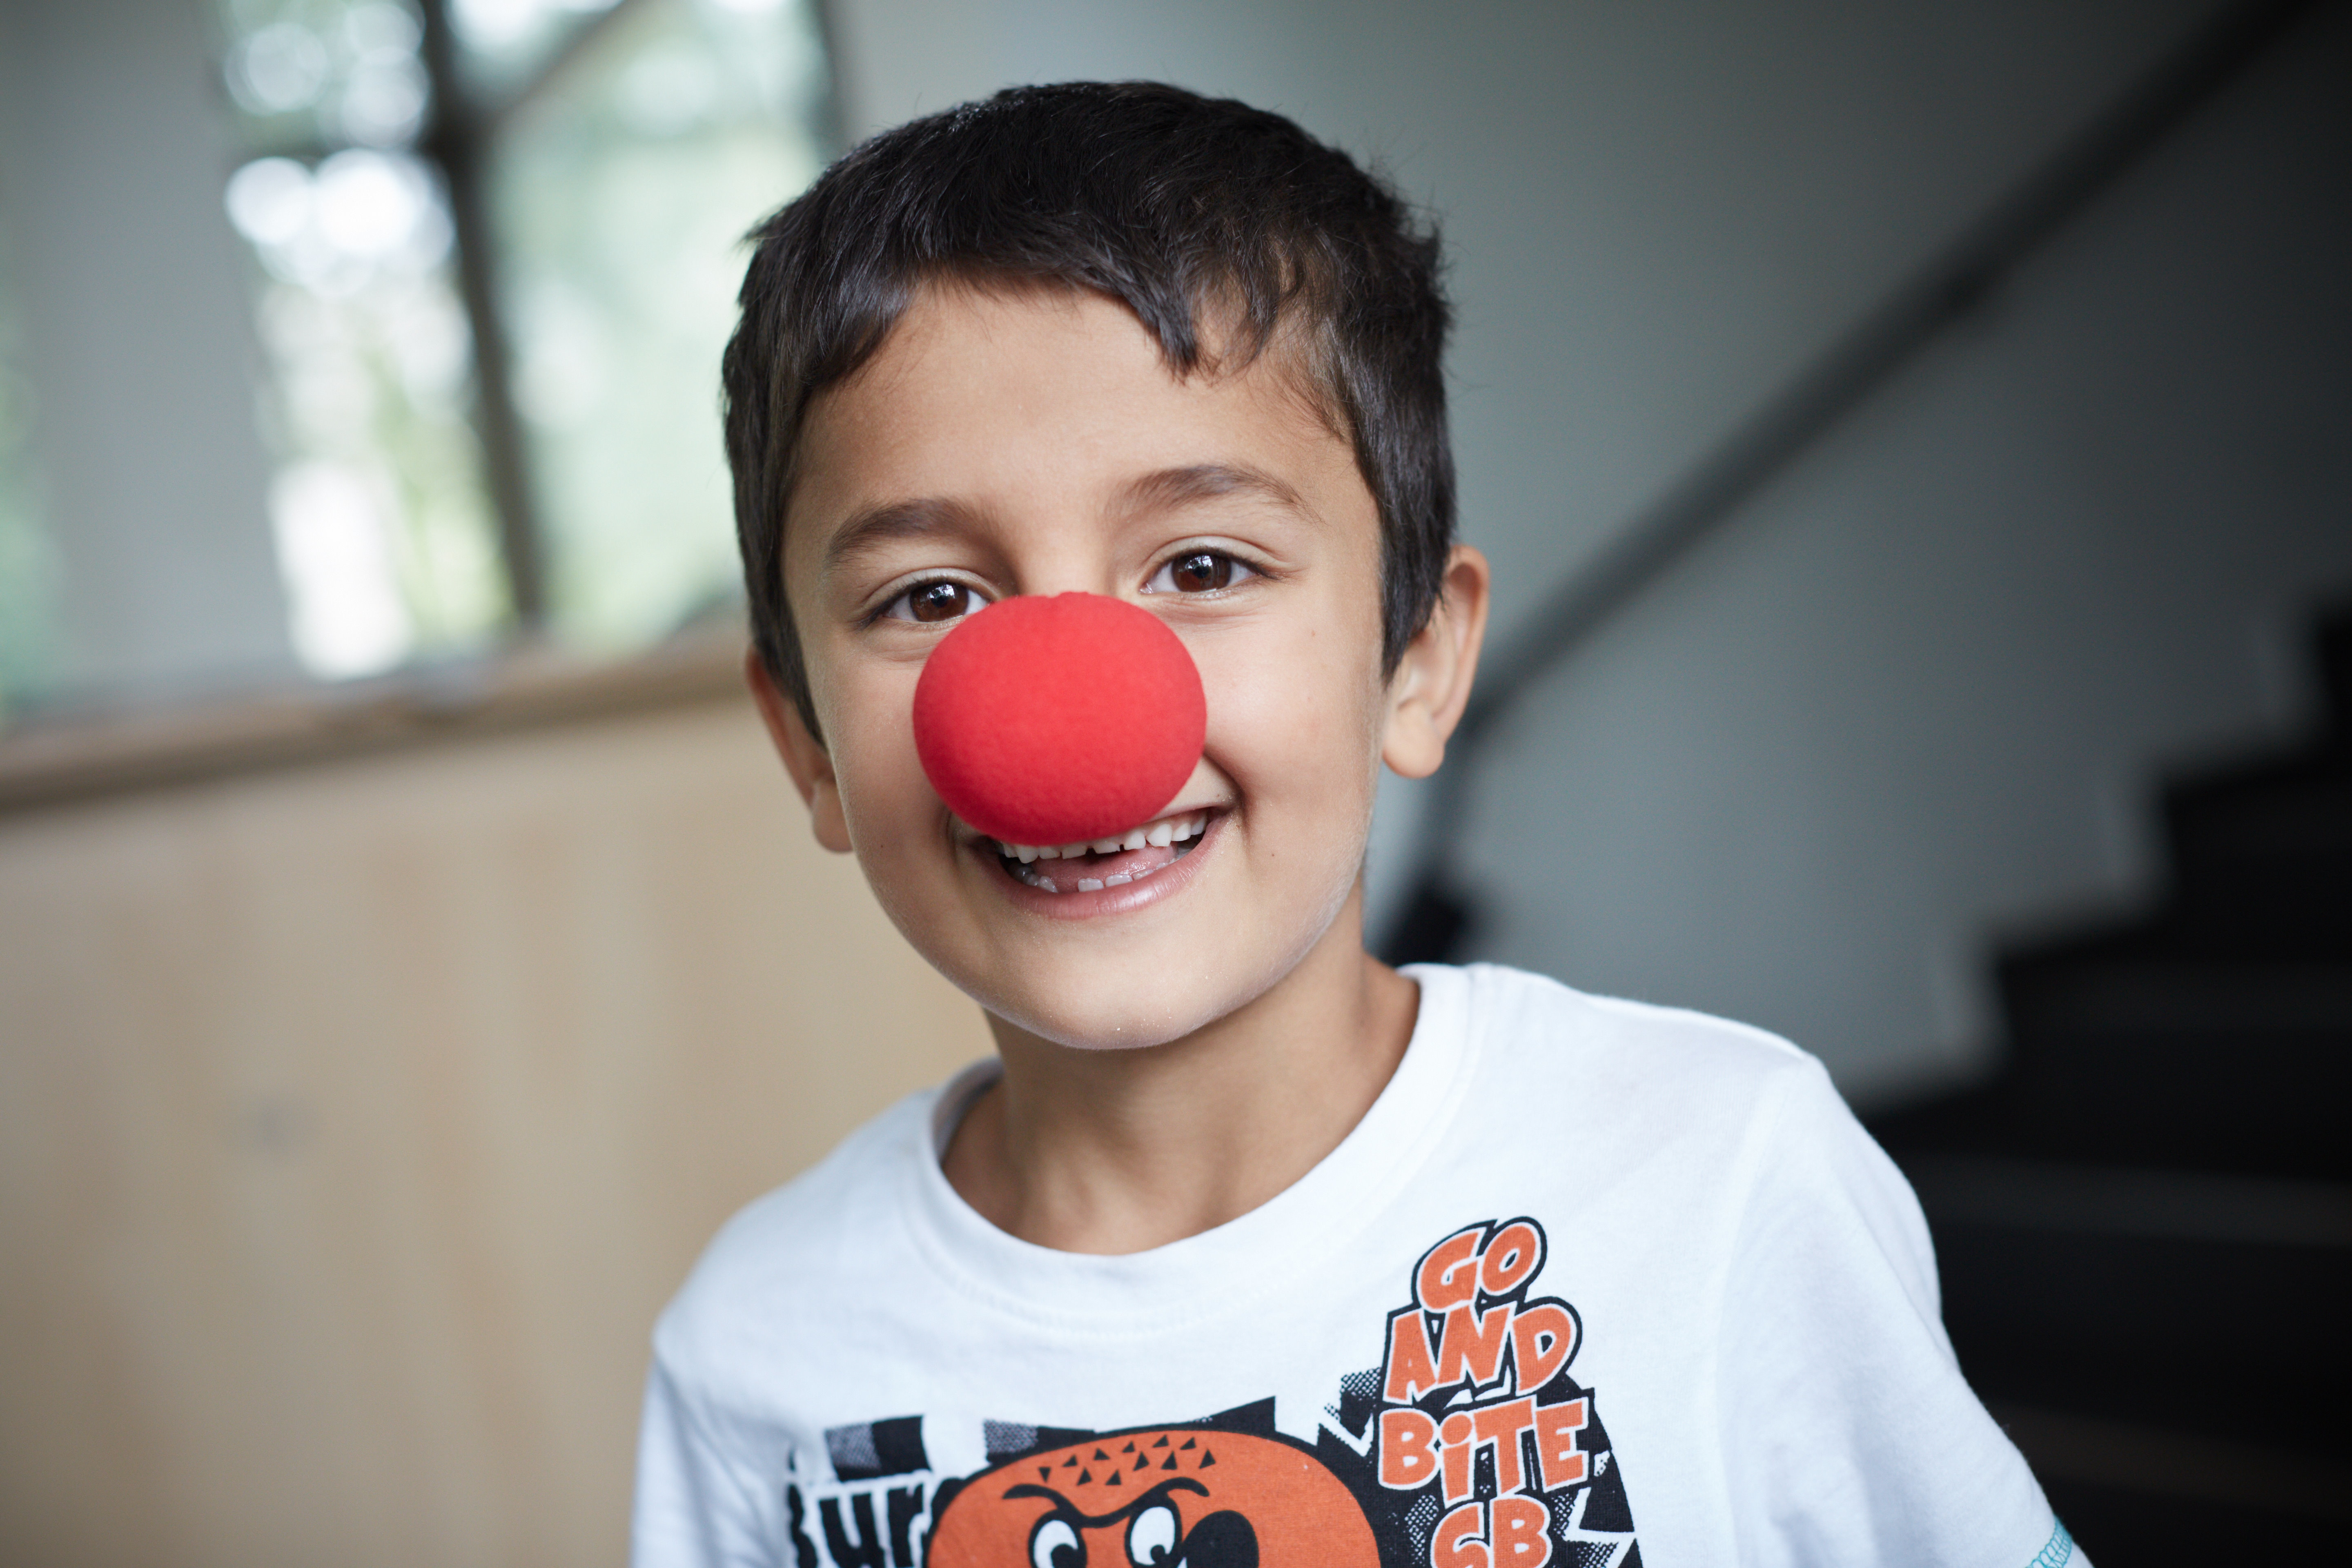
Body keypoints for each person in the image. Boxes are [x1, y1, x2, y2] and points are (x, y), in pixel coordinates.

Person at [633, 81, 2079, 1568]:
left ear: (1420, 662)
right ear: (804, 736)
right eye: (929, 599)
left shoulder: (1720, 1178)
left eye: (1202, 564)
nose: (1070, 717)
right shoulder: (756, 1351)